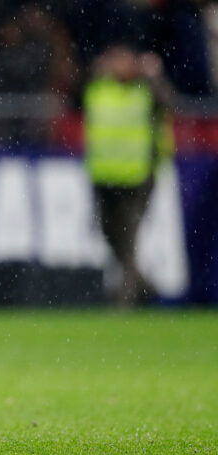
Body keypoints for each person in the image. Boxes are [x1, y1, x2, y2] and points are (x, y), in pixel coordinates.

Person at [83, 44, 174, 306]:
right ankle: (145, 286)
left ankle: (125, 300)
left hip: (138, 177)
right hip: (105, 176)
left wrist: (154, 76)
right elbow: (71, 95)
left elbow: (169, 103)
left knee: (128, 238)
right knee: (110, 235)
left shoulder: (145, 91)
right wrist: (93, 71)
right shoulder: (98, 88)